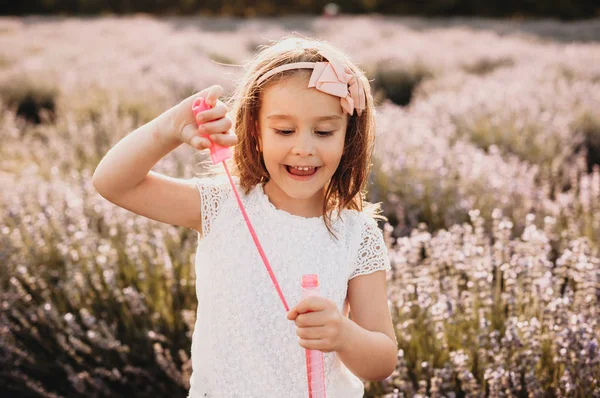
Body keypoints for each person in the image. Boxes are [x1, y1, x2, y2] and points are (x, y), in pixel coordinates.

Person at [92, 35, 398, 397]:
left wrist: (346, 336)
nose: (304, 147)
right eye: (284, 130)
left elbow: (382, 361)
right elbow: (113, 183)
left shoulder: (356, 234)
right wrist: (170, 128)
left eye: (324, 131)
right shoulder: (222, 207)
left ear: (348, 137)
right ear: (255, 131)